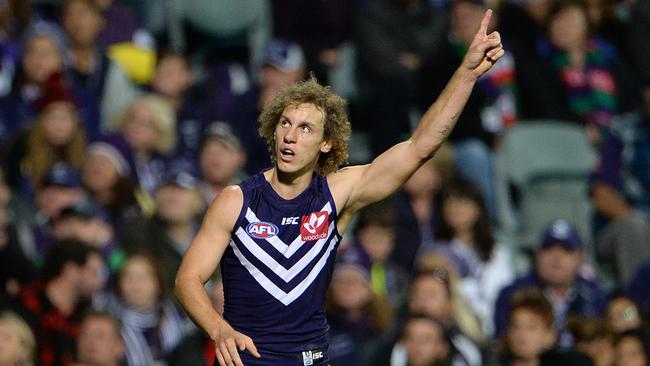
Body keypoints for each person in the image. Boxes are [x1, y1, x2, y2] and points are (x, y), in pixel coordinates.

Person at [175, 9, 504, 366]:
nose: (290, 135)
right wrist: (218, 329)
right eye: (285, 123)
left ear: (326, 143)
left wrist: (466, 75)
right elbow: (188, 280)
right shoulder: (235, 200)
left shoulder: (337, 194)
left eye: (305, 128)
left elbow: (419, 147)